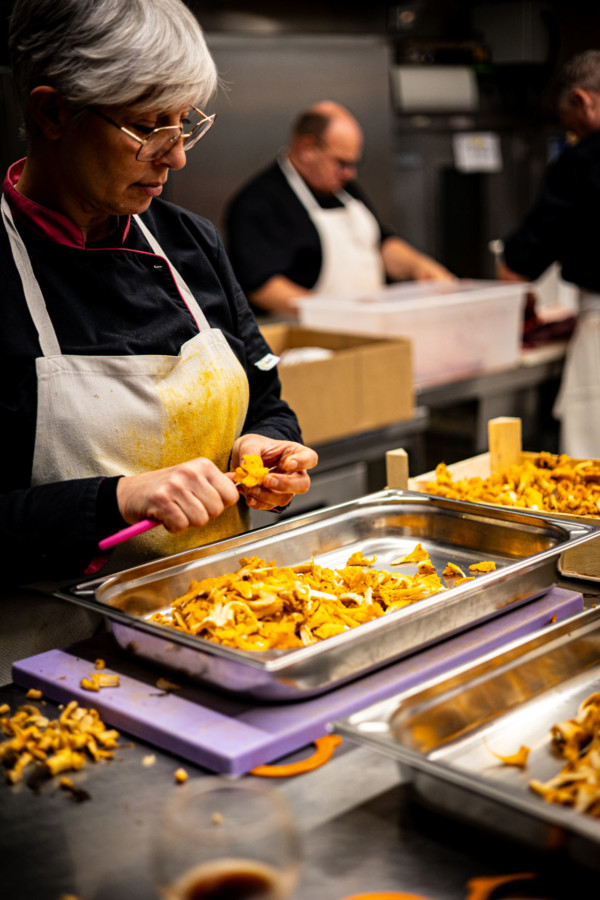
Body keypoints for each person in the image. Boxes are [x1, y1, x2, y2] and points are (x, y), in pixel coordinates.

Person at [0, 0, 318, 682]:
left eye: (186, 124)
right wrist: (113, 502)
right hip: (47, 671)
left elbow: (265, 399)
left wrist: (263, 444)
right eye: (149, 127)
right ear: (53, 113)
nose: (174, 155)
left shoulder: (189, 242)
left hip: (221, 639)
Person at [225, 100, 455, 316]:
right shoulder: (258, 202)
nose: (350, 173)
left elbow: (379, 243)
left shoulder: (343, 189)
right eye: (342, 163)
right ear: (307, 148)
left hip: (364, 327)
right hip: (304, 341)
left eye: (354, 164)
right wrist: (333, 313)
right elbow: (262, 287)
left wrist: (419, 266)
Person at [497, 50, 600, 457]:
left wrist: (512, 292)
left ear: (582, 101)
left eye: (569, 124)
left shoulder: (584, 161)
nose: (572, 134)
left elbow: (526, 254)